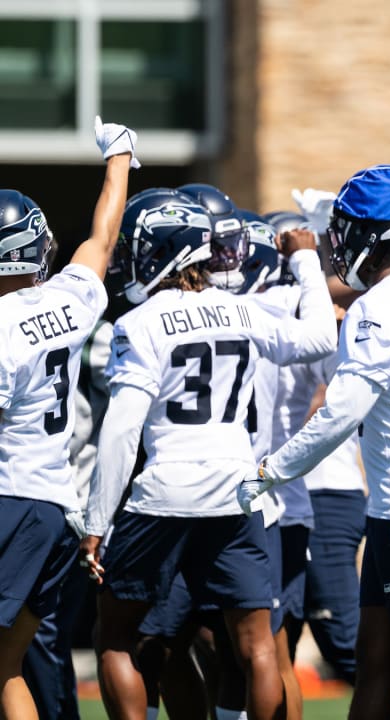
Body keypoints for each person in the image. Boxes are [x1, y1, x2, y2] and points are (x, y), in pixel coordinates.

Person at [83, 179, 335, 720]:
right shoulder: (244, 310)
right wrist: (308, 265)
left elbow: (122, 430)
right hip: (238, 488)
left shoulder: (138, 323)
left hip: (166, 490)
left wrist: (96, 520)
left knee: (117, 637)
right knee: (258, 647)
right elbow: (320, 338)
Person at [237, 165, 390, 719]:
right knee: (375, 658)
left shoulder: (378, 307)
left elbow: (341, 413)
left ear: (369, 237)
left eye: (347, 227)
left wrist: (271, 470)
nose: (338, 238)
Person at [0, 117, 136, 720]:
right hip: (56, 507)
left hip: (11, 503)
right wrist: (121, 156)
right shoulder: (68, 301)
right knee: (5, 666)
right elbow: (102, 237)